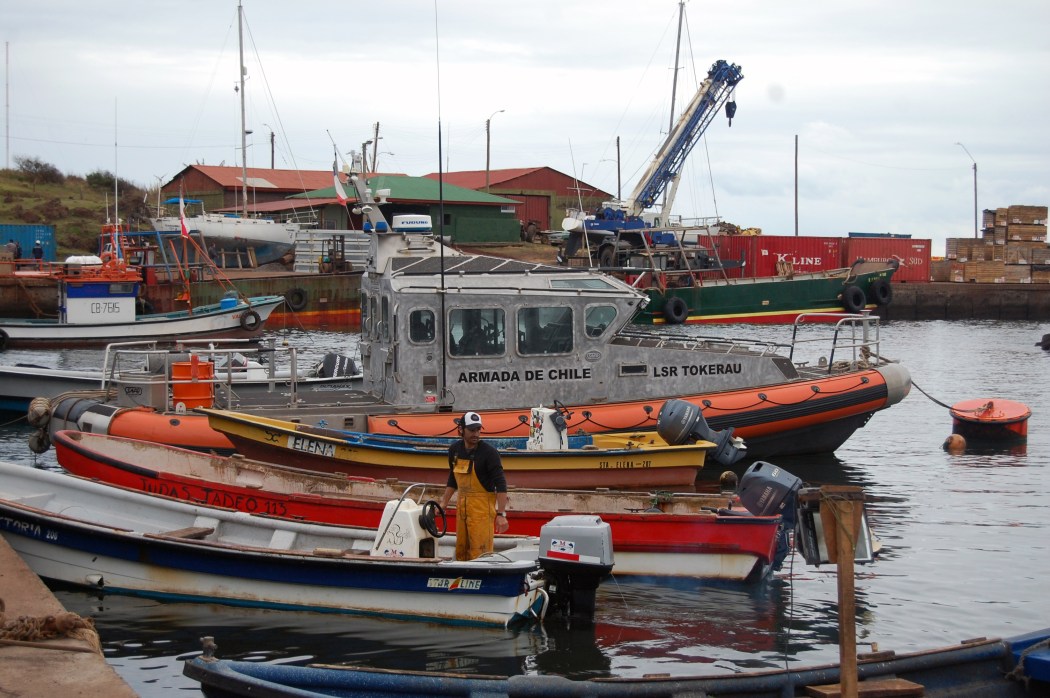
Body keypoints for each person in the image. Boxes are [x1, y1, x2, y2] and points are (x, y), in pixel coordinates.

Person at [438, 411, 509, 560]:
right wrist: (443, 503)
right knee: (461, 551)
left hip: (481, 511)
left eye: (478, 429)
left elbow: (501, 484)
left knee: (480, 553)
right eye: (471, 430)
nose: (476, 434)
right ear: (461, 429)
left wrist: (501, 514)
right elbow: (453, 478)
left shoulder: (489, 453)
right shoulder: (454, 450)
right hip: (462, 509)